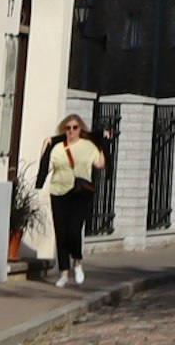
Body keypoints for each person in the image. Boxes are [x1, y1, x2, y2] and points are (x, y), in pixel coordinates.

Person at [36, 112, 106, 289]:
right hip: (58, 192)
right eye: (68, 128)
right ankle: (64, 273)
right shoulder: (58, 148)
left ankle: (78, 263)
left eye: (75, 128)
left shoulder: (88, 146)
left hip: (79, 193)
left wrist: (103, 144)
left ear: (80, 129)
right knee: (61, 233)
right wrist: (45, 147)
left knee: (74, 231)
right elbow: (47, 166)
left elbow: (100, 164)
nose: (71, 131)